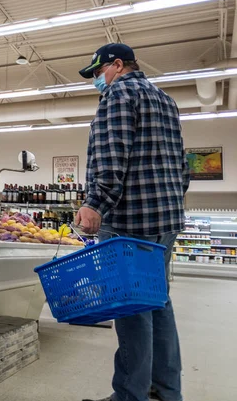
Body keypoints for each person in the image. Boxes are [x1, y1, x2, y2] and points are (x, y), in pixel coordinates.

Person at [75, 43, 190, 401]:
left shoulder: (118, 95)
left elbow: (112, 158)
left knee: (132, 308)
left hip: (131, 220)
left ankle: (129, 395)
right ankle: (166, 391)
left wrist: (95, 203)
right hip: (166, 219)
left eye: (97, 73)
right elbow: (182, 169)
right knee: (158, 301)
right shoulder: (165, 100)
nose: (97, 80)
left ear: (117, 65)